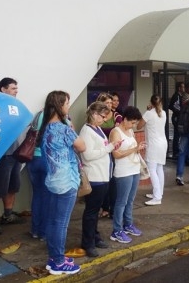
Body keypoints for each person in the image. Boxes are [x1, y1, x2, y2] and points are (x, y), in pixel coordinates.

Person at [41, 90, 86, 275]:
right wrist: (70, 126)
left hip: (53, 179)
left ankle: (55, 257)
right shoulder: (64, 128)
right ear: (60, 106)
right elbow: (82, 146)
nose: (69, 107)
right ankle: (58, 262)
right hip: (66, 181)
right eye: (67, 103)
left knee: (53, 221)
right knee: (61, 224)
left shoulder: (47, 127)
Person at [79, 102, 123, 257]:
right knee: (91, 212)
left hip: (102, 176)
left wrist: (111, 146)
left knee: (95, 211)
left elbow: (102, 148)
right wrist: (109, 147)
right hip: (95, 177)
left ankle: (94, 237)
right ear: (94, 114)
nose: (105, 120)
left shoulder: (96, 129)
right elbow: (88, 155)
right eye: (103, 116)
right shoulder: (87, 131)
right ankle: (88, 242)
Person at [0, 78, 26, 235]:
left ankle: (8, 215)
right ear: (3, 89)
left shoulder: (13, 107)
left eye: (17, 87)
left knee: (13, 186)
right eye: (13, 88)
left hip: (15, 153)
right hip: (2, 155)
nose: (16, 90)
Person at [109, 106, 146, 243]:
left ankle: (128, 224)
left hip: (134, 168)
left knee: (130, 200)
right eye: (132, 122)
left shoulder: (130, 131)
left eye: (135, 122)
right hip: (123, 171)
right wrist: (135, 149)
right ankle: (116, 230)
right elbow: (116, 154)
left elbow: (132, 149)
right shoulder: (116, 132)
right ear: (124, 119)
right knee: (121, 201)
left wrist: (138, 148)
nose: (134, 125)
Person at [136, 95, 168, 206]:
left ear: (151, 102)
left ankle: (157, 197)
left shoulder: (149, 113)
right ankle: (159, 193)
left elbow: (138, 126)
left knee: (152, 170)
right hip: (163, 143)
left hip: (154, 145)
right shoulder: (163, 113)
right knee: (159, 168)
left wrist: (147, 111)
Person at [27, 110, 48, 241]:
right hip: (46, 160)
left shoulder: (39, 114)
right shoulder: (59, 119)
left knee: (37, 195)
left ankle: (35, 230)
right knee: (47, 197)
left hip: (33, 158)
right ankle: (44, 232)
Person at [168, 82, 186, 157]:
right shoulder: (176, 96)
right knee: (176, 134)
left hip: (180, 117)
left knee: (178, 134)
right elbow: (172, 106)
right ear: (179, 88)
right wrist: (180, 111)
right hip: (176, 117)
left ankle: (177, 149)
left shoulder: (181, 96)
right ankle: (175, 151)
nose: (183, 89)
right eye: (182, 87)